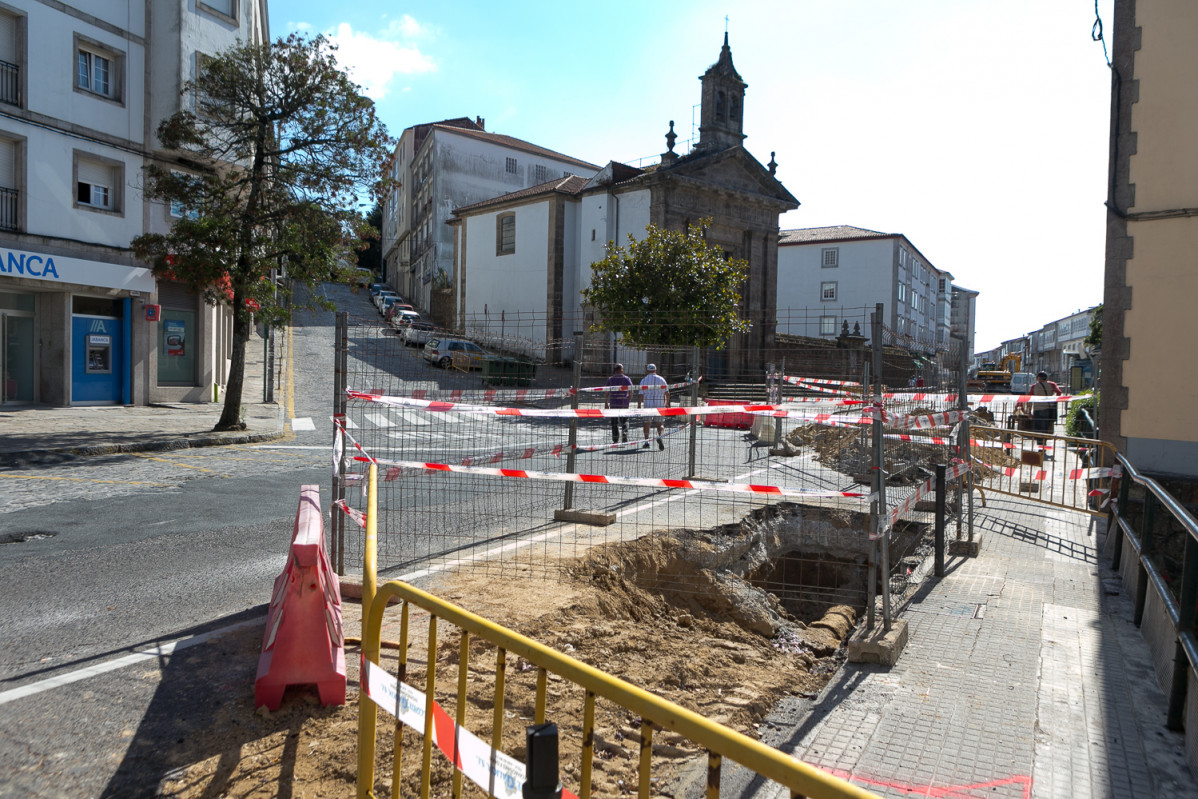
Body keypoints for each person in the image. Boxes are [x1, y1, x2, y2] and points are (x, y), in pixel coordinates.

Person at [638, 363, 669, 450]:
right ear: (655, 370)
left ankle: (646, 442)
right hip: (659, 404)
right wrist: (666, 403)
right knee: (660, 424)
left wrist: (639, 405)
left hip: (648, 404)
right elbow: (667, 393)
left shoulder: (644, 380)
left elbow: (640, 394)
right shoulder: (661, 379)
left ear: (647, 371)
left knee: (646, 423)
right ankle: (660, 436)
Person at [604, 363, 633, 444]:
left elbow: (606, 392)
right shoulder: (626, 379)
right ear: (621, 370)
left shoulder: (610, 379)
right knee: (625, 420)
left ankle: (615, 439)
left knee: (614, 422)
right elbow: (631, 391)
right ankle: (625, 432)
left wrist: (606, 403)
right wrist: (628, 400)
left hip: (614, 403)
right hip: (623, 403)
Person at [1030, 371, 1061, 442]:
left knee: (1037, 427)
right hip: (1047, 408)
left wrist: (1029, 411)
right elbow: (1059, 392)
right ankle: (1044, 442)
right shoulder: (1052, 384)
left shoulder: (1034, 386)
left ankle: (1039, 442)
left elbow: (1030, 398)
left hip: (1037, 409)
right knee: (1045, 427)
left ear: (1038, 378)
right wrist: (1053, 400)